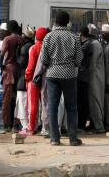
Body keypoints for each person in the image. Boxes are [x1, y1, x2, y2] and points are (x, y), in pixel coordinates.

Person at [41, 11, 83, 146]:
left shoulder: (48, 36)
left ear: (55, 21)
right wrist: (72, 65)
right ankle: (73, 139)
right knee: (71, 107)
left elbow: (44, 59)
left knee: (52, 107)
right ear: (68, 22)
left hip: (52, 74)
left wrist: (51, 66)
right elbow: (79, 59)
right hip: (69, 75)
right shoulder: (74, 37)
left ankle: (54, 139)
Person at [0, 20, 23, 133]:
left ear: (8, 28)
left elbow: (2, 54)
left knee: (6, 99)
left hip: (9, 70)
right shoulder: (21, 39)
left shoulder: (7, 39)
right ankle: (16, 123)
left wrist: (1, 66)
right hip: (19, 70)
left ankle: (6, 125)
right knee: (17, 98)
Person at [26, 27, 47, 135]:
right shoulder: (48, 47)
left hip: (34, 80)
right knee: (45, 103)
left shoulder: (34, 48)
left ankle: (32, 128)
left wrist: (27, 77)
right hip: (45, 79)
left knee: (33, 105)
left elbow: (31, 66)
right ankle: (44, 127)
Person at [87, 24, 106, 134]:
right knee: (94, 101)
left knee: (96, 101)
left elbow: (93, 63)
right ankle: (94, 124)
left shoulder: (94, 44)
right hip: (96, 76)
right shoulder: (96, 43)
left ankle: (99, 127)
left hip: (95, 76)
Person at [16, 27, 34, 134]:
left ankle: (25, 126)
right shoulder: (33, 46)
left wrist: (17, 55)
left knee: (22, 104)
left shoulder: (25, 48)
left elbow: (22, 63)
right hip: (32, 79)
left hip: (24, 78)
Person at [77, 26, 93, 130]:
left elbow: (79, 56)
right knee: (80, 101)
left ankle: (81, 124)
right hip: (82, 75)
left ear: (81, 34)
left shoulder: (87, 44)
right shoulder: (85, 43)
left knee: (82, 101)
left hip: (83, 76)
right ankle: (80, 123)